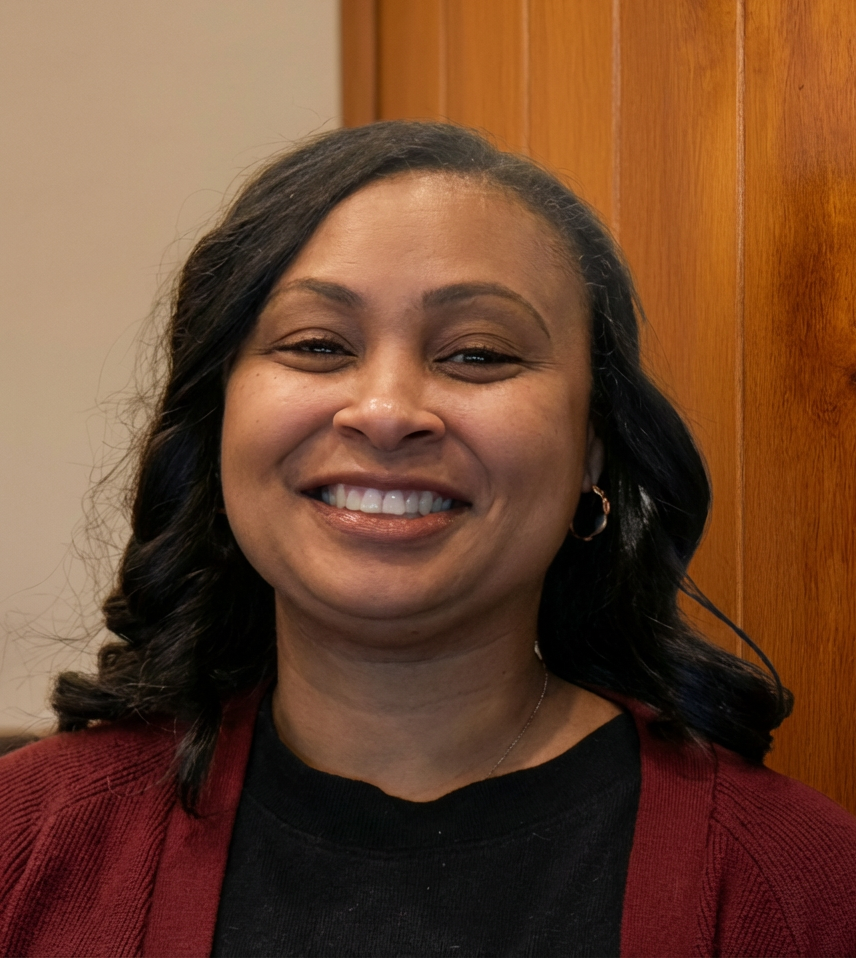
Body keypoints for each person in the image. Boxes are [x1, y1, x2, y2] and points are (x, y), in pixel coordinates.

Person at [1, 122, 854, 958]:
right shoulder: (25, 844)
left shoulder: (801, 891)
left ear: (593, 444)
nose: (385, 412)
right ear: (219, 420)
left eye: (478, 356)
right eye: (318, 345)